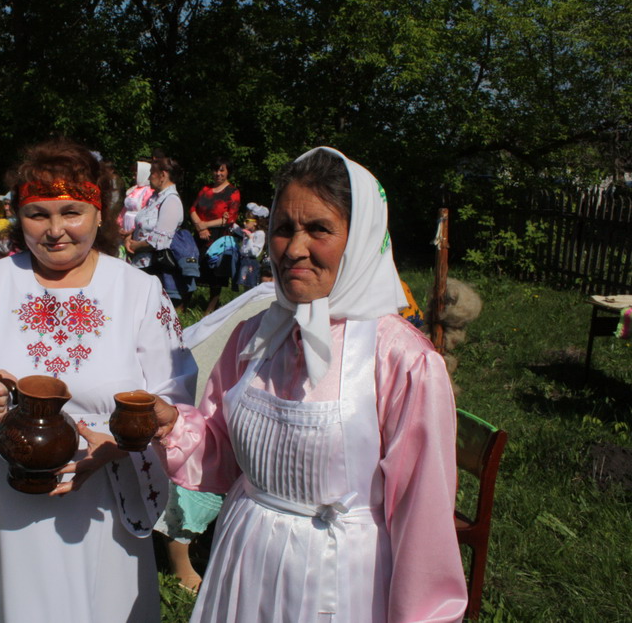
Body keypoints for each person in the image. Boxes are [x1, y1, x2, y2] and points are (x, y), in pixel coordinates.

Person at [154, 147, 467, 622]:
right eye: (283, 229)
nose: (294, 249)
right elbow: (218, 451)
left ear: (360, 237)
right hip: (244, 560)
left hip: (336, 580)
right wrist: (168, 424)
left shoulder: (401, 359)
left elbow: (423, 521)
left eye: (319, 229)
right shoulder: (254, 336)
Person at [0, 139, 196, 622]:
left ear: (100, 214)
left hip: (106, 496)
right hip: (8, 499)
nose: (55, 230)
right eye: (37, 214)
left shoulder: (138, 292)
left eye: (72, 212)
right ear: (17, 216)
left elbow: (173, 394)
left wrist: (118, 443)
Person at [125, 156, 191, 306]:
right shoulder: (154, 198)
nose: (148, 177)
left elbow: (160, 240)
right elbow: (142, 223)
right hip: (140, 263)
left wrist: (135, 246)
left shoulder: (171, 201)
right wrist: (129, 237)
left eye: (152, 173)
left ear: (163, 175)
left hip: (155, 267)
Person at [190, 157, 241, 314]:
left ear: (228, 172)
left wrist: (206, 225)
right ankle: (186, 302)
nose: (218, 173)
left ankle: (210, 309)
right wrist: (200, 227)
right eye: (216, 170)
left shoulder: (233, 192)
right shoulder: (205, 189)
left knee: (216, 274)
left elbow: (230, 218)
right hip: (200, 234)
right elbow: (192, 209)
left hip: (219, 237)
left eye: (222, 170)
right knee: (192, 267)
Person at [118, 159, 153, 235]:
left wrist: (132, 230)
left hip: (136, 226)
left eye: (136, 175)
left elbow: (145, 212)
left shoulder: (148, 191)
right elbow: (125, 209)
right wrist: (119, 224)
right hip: (125, 224)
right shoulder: (133, 190)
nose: (133, 177)